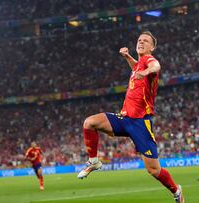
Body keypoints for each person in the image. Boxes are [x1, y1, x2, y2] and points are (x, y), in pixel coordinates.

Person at [77, 31, 184, 203]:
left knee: (153, 170)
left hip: (140, 122)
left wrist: (148, 71)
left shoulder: (149, 61)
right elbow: (136, 68)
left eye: (145, 41)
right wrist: (127, 56)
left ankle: (176, 190)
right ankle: (94, 161)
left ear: (152, 47)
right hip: (124, 118)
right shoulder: (138, 65)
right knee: (89, 123)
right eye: (139, 40)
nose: (141, 42)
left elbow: (156, 66)